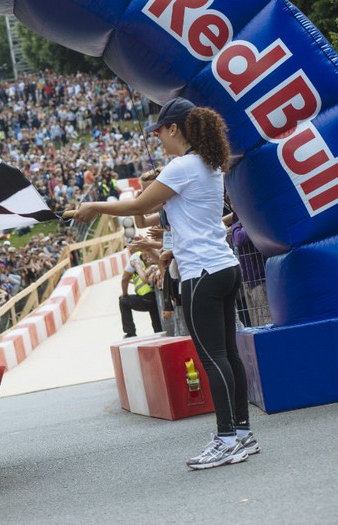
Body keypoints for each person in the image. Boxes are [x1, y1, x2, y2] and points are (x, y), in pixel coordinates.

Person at [66, 97, 257, 470]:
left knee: (212, 357)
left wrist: (96, 206)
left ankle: (226, 438)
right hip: (223, 266)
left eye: (160, 133)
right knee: (228, 355)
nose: (159, 141)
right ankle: (242, 432)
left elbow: (135, 207)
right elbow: (151, 213)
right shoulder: (207, 163)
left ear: (175, 128)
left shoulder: (182, 166)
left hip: (200, 272)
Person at [119, 250, 163, 338]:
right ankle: (159, 332)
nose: (148, 259)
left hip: (148, 298)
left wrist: (124, 294)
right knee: (157, 326)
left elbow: (142, 279)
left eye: (149, 256)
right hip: (155, 298)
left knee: (123, 301)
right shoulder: (153, 264)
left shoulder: (153, 264)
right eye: (146, 257)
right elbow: (144, 275)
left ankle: (130, 333)